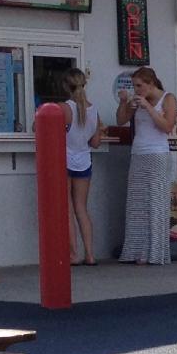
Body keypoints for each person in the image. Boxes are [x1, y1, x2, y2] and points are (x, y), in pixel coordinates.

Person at [117, 66, 177, 265]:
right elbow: (121, 120)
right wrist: (124, 102)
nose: (137, 90)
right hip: (138, 152)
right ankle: (137, 250)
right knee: (137, 203)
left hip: (157, 153)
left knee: (155, 201)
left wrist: (149, 107)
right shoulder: (136, 99)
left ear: (151, 84)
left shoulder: (167, 98)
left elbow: (167, 127)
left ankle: (155, 251)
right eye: (134, 86)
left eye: (139, 86)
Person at [62, 68, 105, 266]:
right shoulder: (94, 110)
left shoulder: (64, 108)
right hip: (84, 162)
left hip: (64, 160)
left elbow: (40, 127)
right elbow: (95, 143)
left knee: (67, 208)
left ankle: (73, 254)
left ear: (65, 86)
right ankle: (90, 254)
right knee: (82, 208)